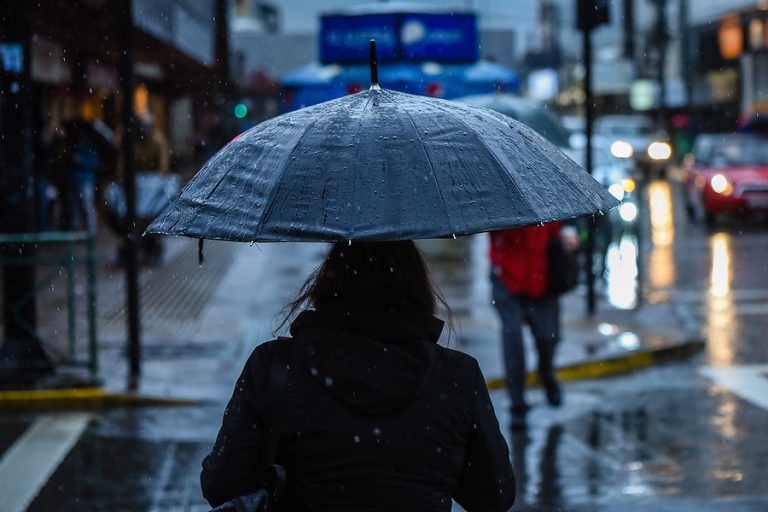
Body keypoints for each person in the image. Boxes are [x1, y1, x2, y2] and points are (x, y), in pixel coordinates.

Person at [201, 241, 516, 512]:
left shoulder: (275, 366)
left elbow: (222, 486)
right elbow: (495, 496)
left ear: (328, 283)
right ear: (417, 286)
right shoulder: (457, 375)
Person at [489, 223, 579, 428]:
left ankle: (546, 375)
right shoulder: (497, 199)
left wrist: (571, 234)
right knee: (514, 343)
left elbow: (569, 220)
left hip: (544, 279)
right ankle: (517, 404)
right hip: (507, 279)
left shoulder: (550, 193)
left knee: (549, 337)